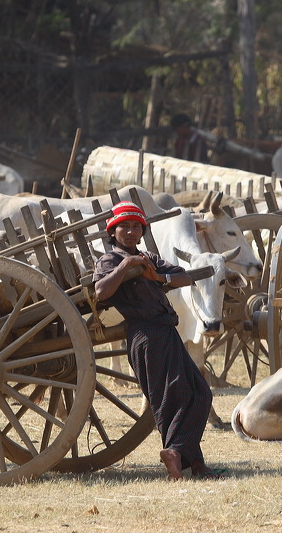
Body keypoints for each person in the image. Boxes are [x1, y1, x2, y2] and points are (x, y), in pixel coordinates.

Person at [92, 201, 223, 481]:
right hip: (145, 335)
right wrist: (126, 265)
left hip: (165, 331)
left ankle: (179, 453)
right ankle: (191, 461)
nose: (130, 231)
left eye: (135, 226)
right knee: (170, 397)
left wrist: (159, 275)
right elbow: (101, 291)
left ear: (142, 231)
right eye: (124, 227)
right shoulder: (109, 261)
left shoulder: (149, 257)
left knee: (200, 392)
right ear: (112, 232)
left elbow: (185, 277)